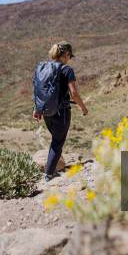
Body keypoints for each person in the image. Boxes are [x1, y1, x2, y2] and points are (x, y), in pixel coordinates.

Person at [33, 41, 88, 181]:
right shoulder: (66, 70)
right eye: (70, 56)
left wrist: (37, 108)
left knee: (56, 140)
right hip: (61, 112)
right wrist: (83, 107)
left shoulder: (42, 67)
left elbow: (38, 90)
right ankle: (48, 175)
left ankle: (51, 169)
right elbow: (74, 94)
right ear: (66, 54)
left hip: (46, 112)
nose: (69, 59)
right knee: (57, 142)